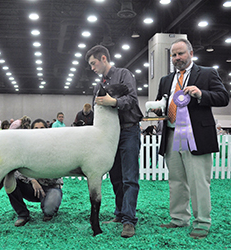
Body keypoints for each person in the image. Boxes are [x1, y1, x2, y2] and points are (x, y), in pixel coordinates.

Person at [153, 38, 229, 239]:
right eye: (174, 55)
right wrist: (156, 107)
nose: (177, 58)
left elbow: (223, 97)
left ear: (191, 53)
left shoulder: (207, 73)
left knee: (198, 182)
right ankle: (178, 218)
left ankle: (202, 222)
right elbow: (162, 103)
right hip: (171, 136)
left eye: (181, 53)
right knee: (176, 181)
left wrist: (200, 93)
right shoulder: (165, 80)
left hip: (197, 137)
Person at [85, 45, 143, 238]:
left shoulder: (124, 74)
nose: (92, 67)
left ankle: (129, 221)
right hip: (110, 135)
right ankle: (120, 213)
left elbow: (132, 99)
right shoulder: (98, 84)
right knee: (115, 177)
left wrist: (114, 102)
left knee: (129, 177)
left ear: (103, 58)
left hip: (128, 130)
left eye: (93, 63)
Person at [7, 118, 63, 227]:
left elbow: (58, 171)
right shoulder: (24, 148)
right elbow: (16, 170)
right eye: (36, 128)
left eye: (42, 128)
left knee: (49, 211)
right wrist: (32, 180)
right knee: (10, 181)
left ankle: (47, 207)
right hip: (30, 187)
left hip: (50, 187)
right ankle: (23, 214)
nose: (39, 131)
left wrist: (38, 178)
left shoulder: (54, 149)